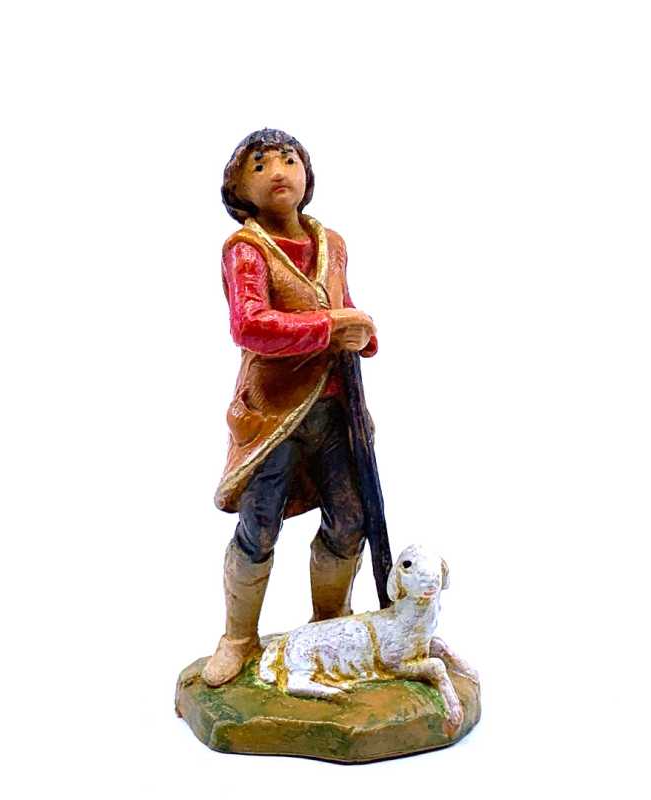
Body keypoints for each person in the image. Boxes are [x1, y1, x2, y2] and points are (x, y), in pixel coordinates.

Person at [202, 128, 378, 687]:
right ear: (238, 187)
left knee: (350, 520)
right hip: (272, 416)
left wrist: (362, 334)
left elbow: (345, 307)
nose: (278, 171)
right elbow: (250, 325)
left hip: (335, 410)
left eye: (288, 159)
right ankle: (238, 637)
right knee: (259, 527)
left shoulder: (332, 243)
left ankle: (330, 625)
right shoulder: (246, 250)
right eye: (259, 165)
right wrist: (329, 328)